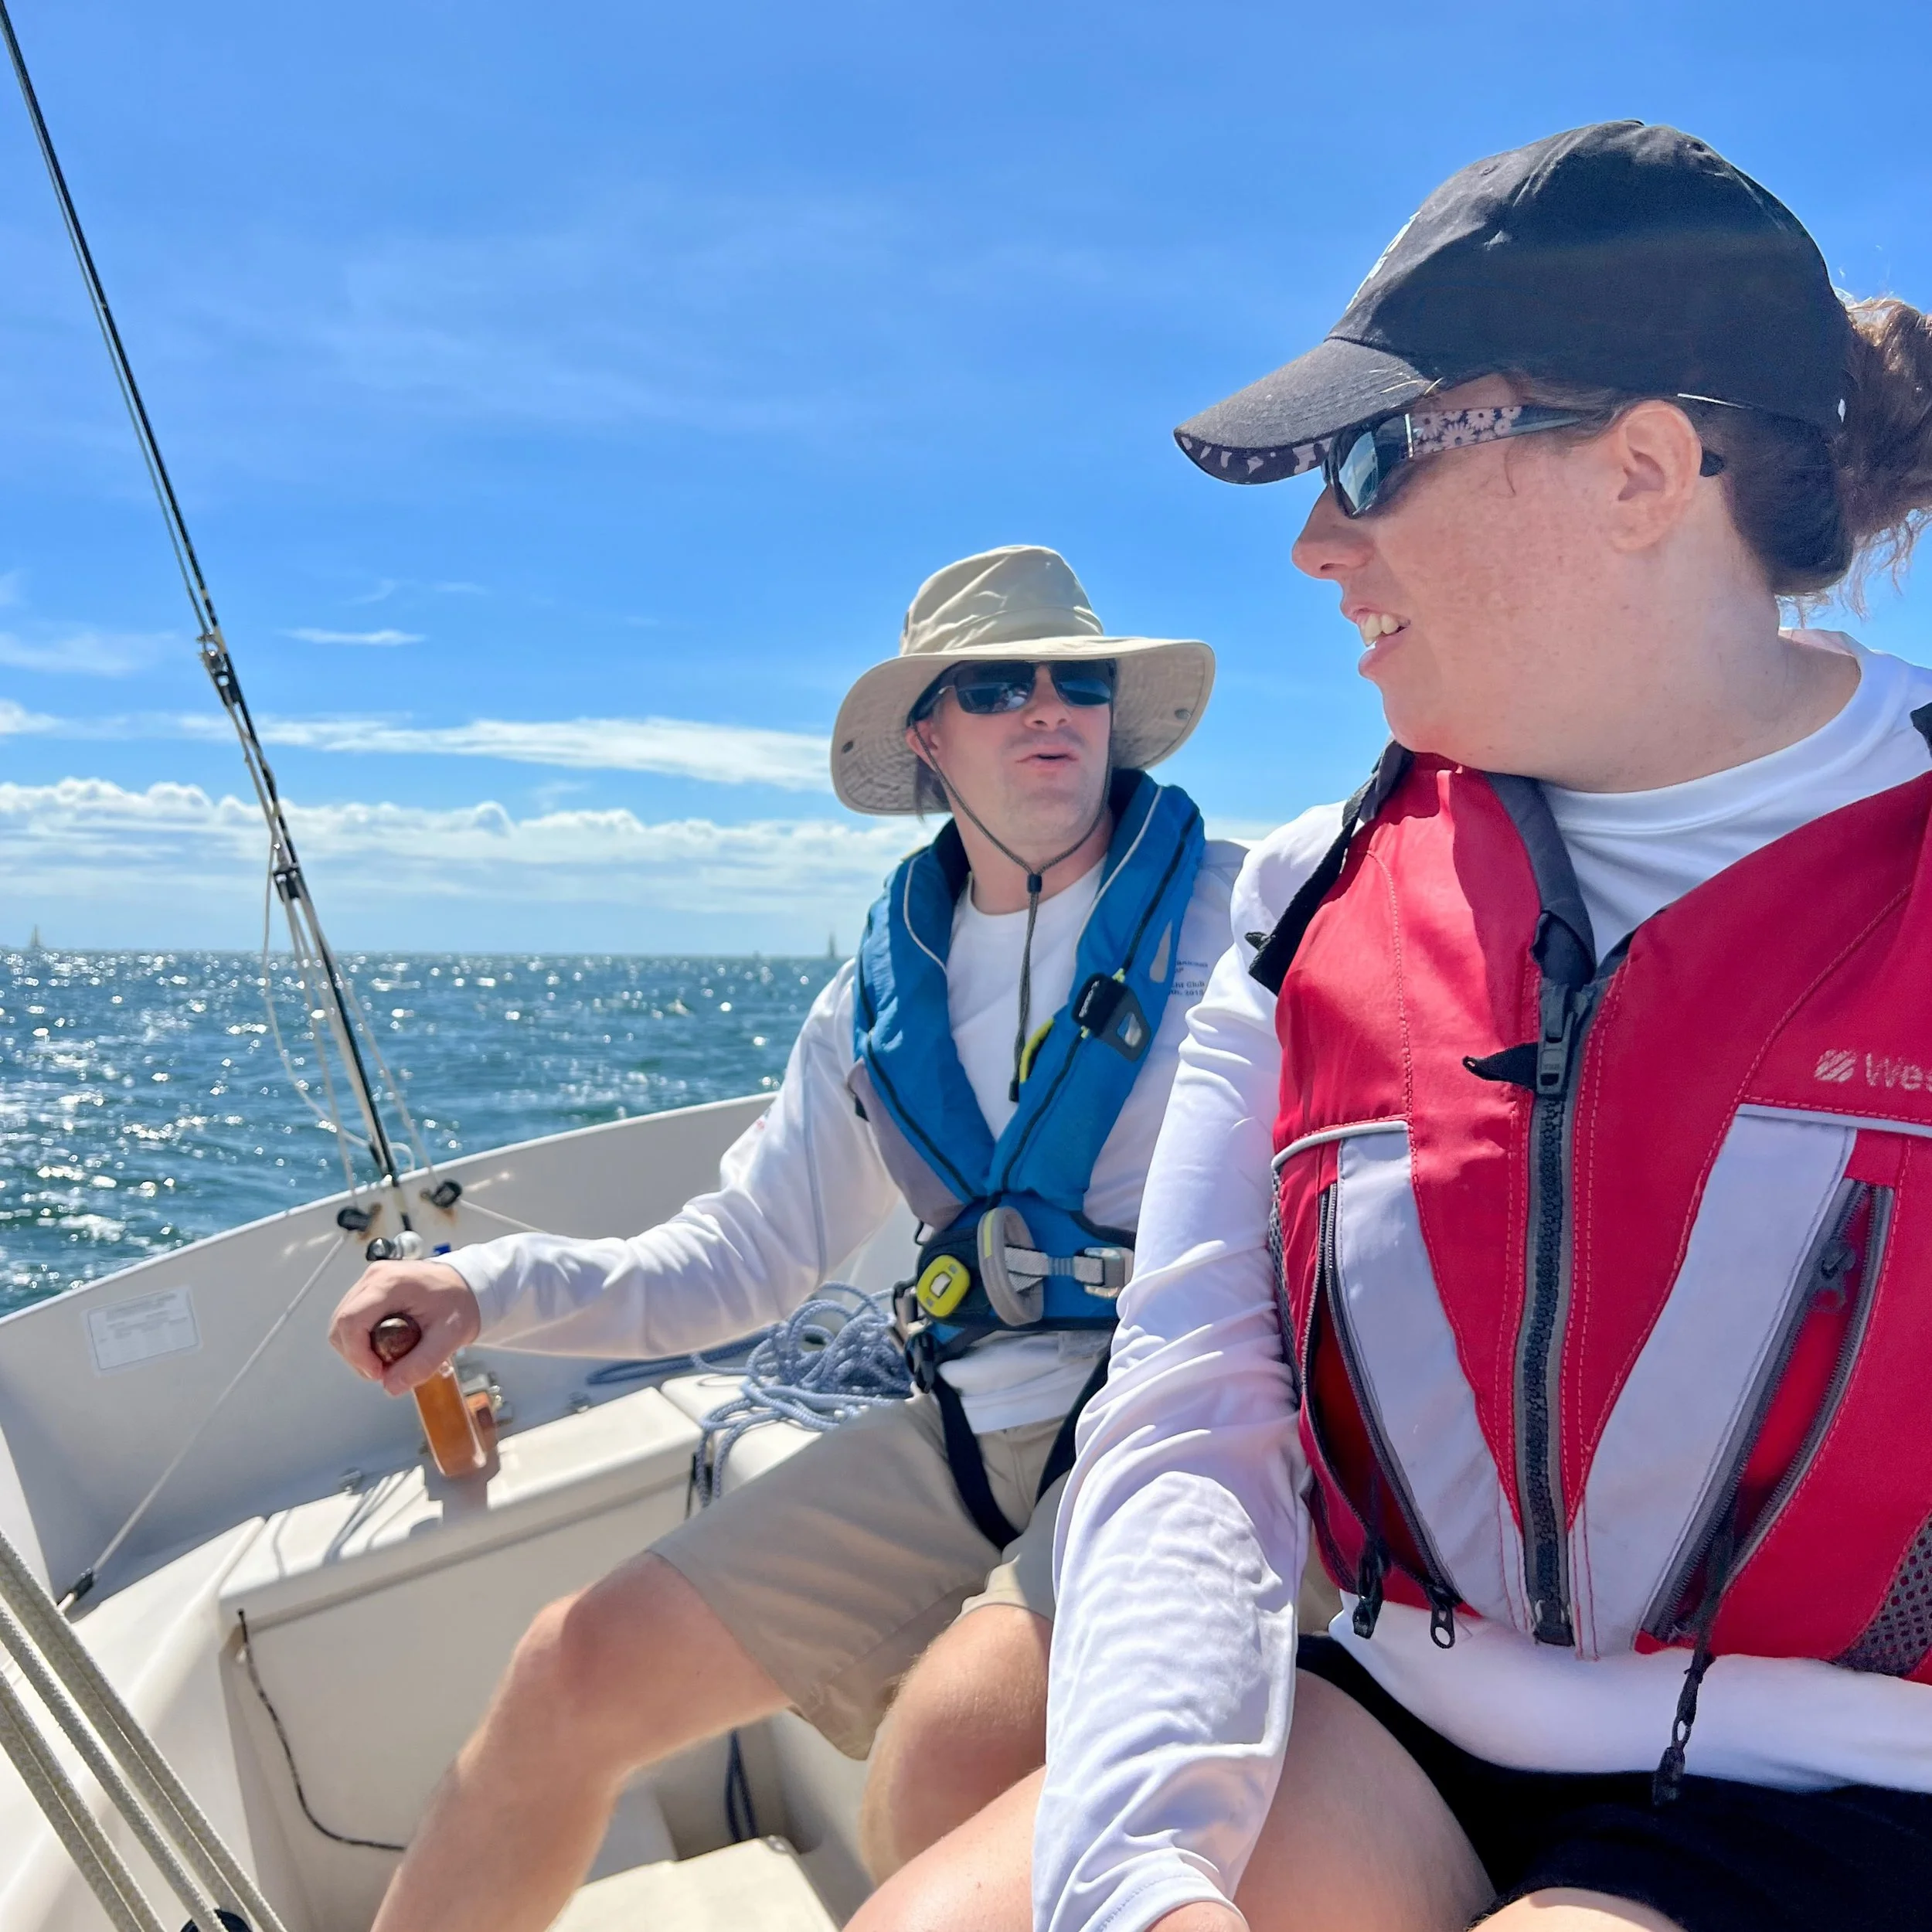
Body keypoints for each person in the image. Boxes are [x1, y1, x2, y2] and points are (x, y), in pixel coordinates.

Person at [854, 124, 1932, 1932]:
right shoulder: (1304, 900)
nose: (1310, 545)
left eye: (1367, 456)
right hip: (1411, 1708)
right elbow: (1194, 1404)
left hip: (1846, 1784)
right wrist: (1139, 1878)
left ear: (1642, 472)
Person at [325, 542, 1244, 1932]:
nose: (1050, 706)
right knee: (565, 1671)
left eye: (1080, 681)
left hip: (1177, 1427)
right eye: (998, 685)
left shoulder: (1251, 916)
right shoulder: (873, 1008)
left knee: (948, 1759)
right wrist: (474, 1284)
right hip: (964, 1439)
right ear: (929, 738)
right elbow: (738, 1261)